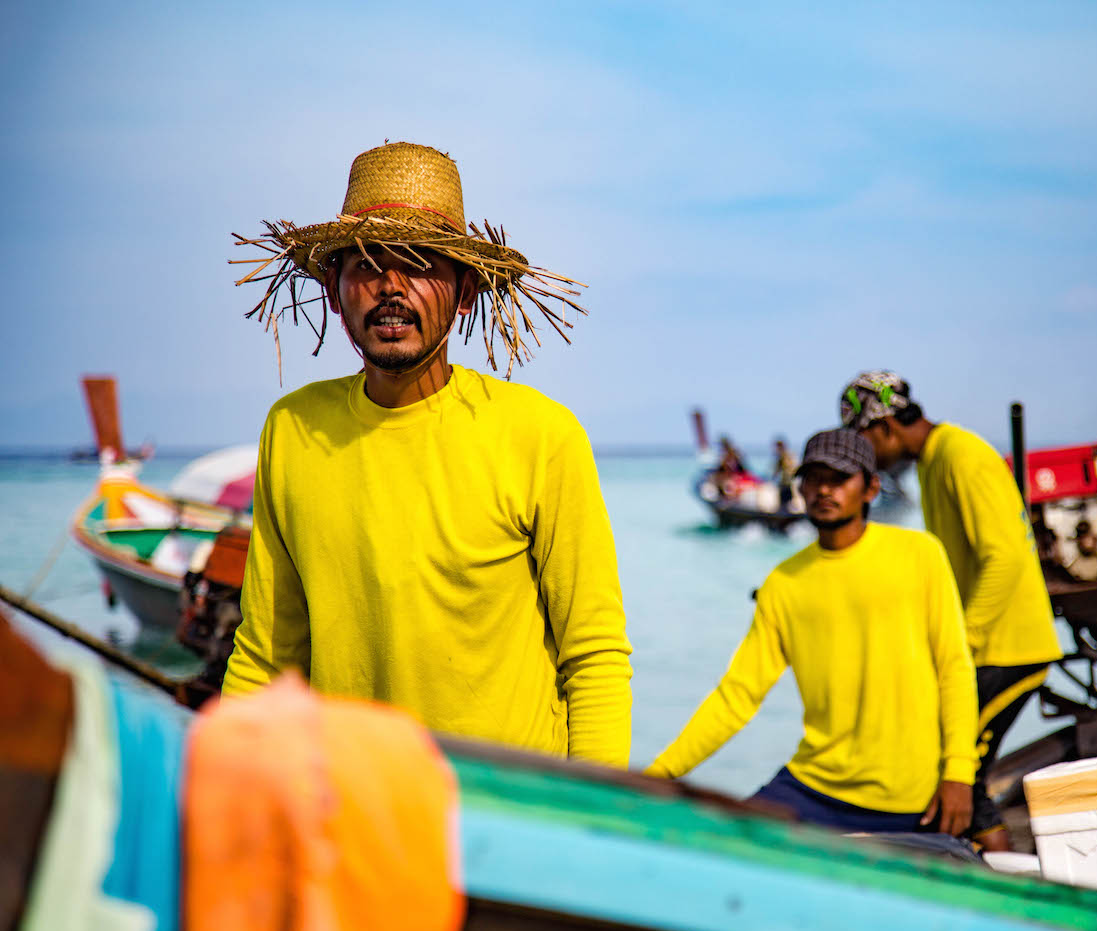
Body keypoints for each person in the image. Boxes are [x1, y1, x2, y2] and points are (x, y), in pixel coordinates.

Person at [223, 142, 633, 767]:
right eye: (364, 264)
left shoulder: (540, 435)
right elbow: (267, 653)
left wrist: (595, 822)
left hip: (512, 819)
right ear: (334, 292)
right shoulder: (293, 430)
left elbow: (595, 654)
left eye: (417, 263)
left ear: (465, 289)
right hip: (352, 814)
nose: (390, 286)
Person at [646, 428, 977, 836]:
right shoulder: (783, 584)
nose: (824, 489)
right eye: (814, 478)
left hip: (910, 797)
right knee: (722, 847)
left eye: (839, 479)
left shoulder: (921, 555)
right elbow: (738, 696)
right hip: (813, 786)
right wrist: (659, 775)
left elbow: (954, 668)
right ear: (799, 486)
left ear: (871, 487)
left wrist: (960, 773)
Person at [840, 371, 1061, 850]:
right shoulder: (932, 460)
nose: (864, 456)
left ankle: (998, 890)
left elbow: (1003, 558)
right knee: (947, 765)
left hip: (1010, 648)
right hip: (985, 647)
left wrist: (963, 642)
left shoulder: (961, 455)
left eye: (862, 442)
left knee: (960, 768)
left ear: (884, 428)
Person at [771, 437, 798, 508]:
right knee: (788, 502)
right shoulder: (788, 455)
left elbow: (778, 470)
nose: (775, 449)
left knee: (785, 503)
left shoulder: (783, 456)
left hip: (786, 483)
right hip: (788, 482)